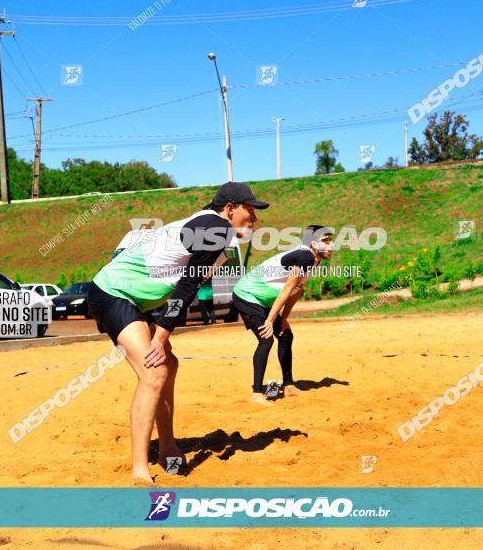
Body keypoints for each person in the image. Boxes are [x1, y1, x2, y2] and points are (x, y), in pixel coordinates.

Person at [87, 182, 268, 482]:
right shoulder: (216, 229)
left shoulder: (211, 229)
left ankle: (167, 448)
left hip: (134, 296)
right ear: (229, 209)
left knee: (169, 364)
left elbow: (186, 283)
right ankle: (139, 470)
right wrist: (160, 337)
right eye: (250, 210)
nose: (255, 218)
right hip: (114, 292)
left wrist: (161, 333)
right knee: (154, 372)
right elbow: (187, 285)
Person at [232, 225, 334, 406]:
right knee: (266, 338)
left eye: (330, 240)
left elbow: (296, 290)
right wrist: (271, 320)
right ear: (312, 243)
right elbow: (287, 288)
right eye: (325, 240)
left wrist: (284, 318)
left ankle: (289, 386)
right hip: (247, 295)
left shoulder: (313, 260)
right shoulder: (306, 256)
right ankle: (257, 394)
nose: (330, 244)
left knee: (285, 335)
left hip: (262, 301)